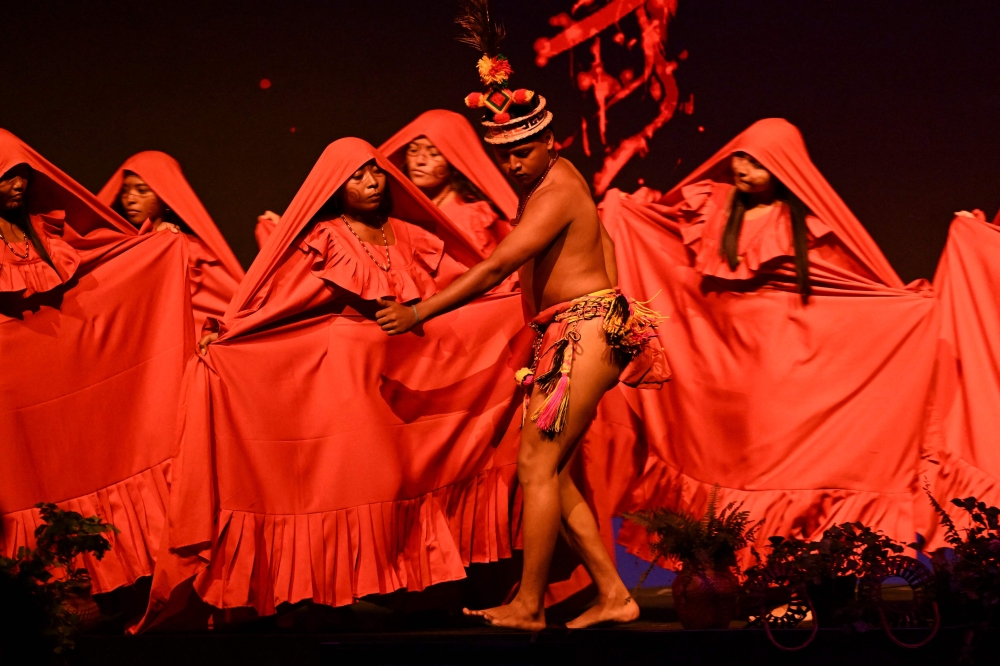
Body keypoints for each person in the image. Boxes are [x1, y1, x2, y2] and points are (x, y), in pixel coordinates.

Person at [138, 138, 528, 631]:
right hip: (348, 380)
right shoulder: (326, 239)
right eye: (356, 176)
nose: (369, 183)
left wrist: (515, 300)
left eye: (376, 173)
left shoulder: (409, 234)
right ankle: (327, 592)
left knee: (411, 482)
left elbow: (464, 286)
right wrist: (231, 336)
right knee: (357, 487)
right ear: (334, 187)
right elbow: (285, 303)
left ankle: (420, 593)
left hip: (412, 374)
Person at [374, 33, 669, 629]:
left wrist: (419, 313)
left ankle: (529, 606)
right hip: (572, 329)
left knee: (536, 465)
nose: (512, 163)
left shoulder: (556, 189)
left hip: (583, 332)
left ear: (549, 142)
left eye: (522, 151)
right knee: (549, 473)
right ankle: (614, 595)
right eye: (502, 153)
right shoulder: (550, 185)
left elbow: (494, 266)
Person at [97, 152, 245, 339]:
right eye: (125, 189)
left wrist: (221, 332)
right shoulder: (115, 246)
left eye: (142, 190)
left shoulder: (189, 249)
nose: (130, 198)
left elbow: (231, 302)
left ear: (163, 196)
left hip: (176, 348)